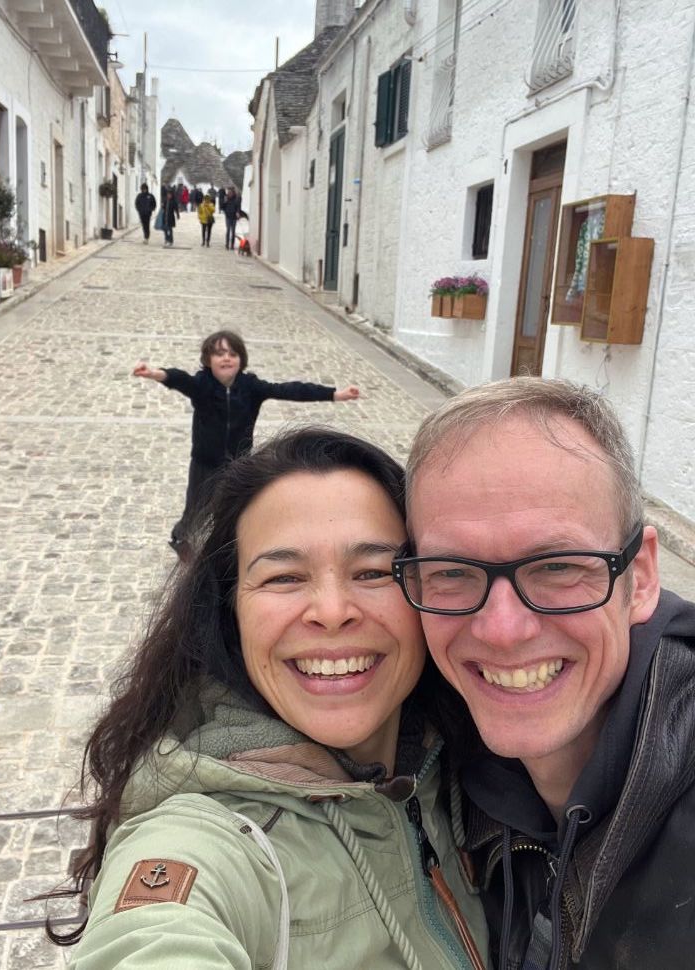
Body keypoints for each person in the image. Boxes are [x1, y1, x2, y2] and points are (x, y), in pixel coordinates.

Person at [49, 428, 489, 970]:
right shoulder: (201, 841)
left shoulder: (471, 763)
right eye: (283, 577)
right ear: (230, 611)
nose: (331, 611)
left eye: (373, 571)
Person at [394, 376, 695, 970]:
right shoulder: (432, 749)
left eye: (557, 566)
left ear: (640, 577)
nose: (503, 630)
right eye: (452, 571)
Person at [132, 330, 361, 560]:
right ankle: (181, 538)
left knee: (234, 509)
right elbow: (180, 379)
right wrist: (154, 373)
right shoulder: (202, 385)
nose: (226, 358)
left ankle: (228, 551)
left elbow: (290, 390)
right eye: (219, 354)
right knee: (196, 511)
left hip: (238, 462)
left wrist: (335, 394)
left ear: (240, 359)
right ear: (208, 360)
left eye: (232, 353)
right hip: (205, 463)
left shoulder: (251, 386)